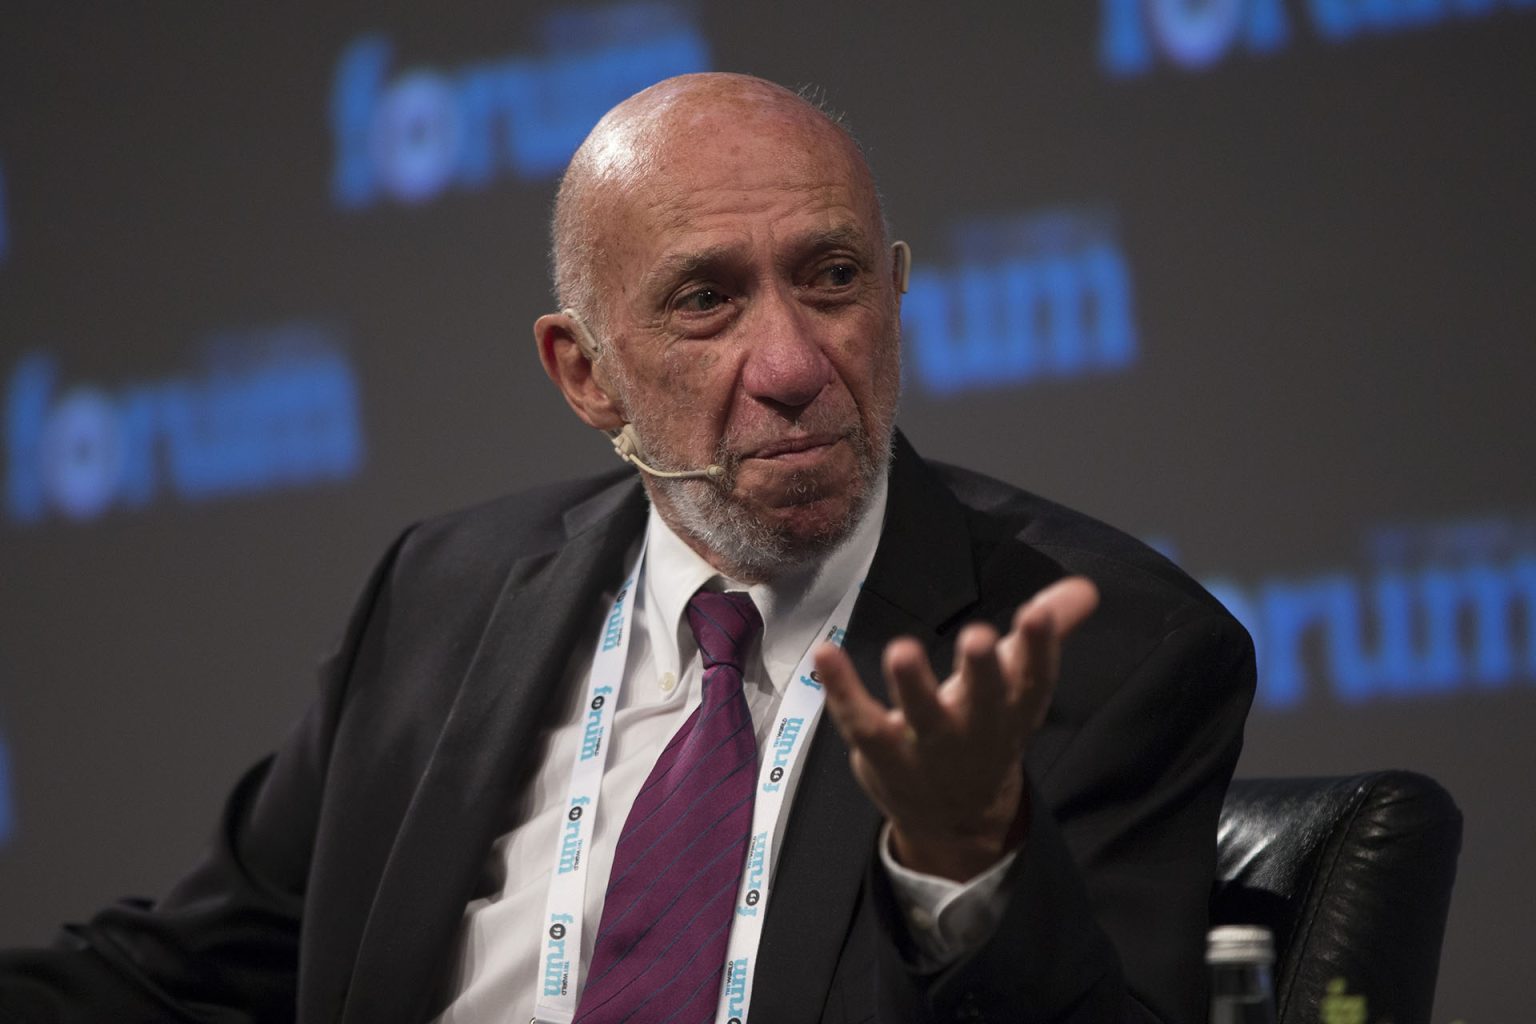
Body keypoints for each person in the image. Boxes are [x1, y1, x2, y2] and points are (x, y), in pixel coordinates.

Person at [0, 73, 1254, 1023]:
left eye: (832, 278)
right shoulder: (443, 596)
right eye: (707, 300)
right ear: (585, 373)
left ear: (895, 292)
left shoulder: (1110, 651)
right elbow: (194, 972)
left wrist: (966, 865)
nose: (793, 364)